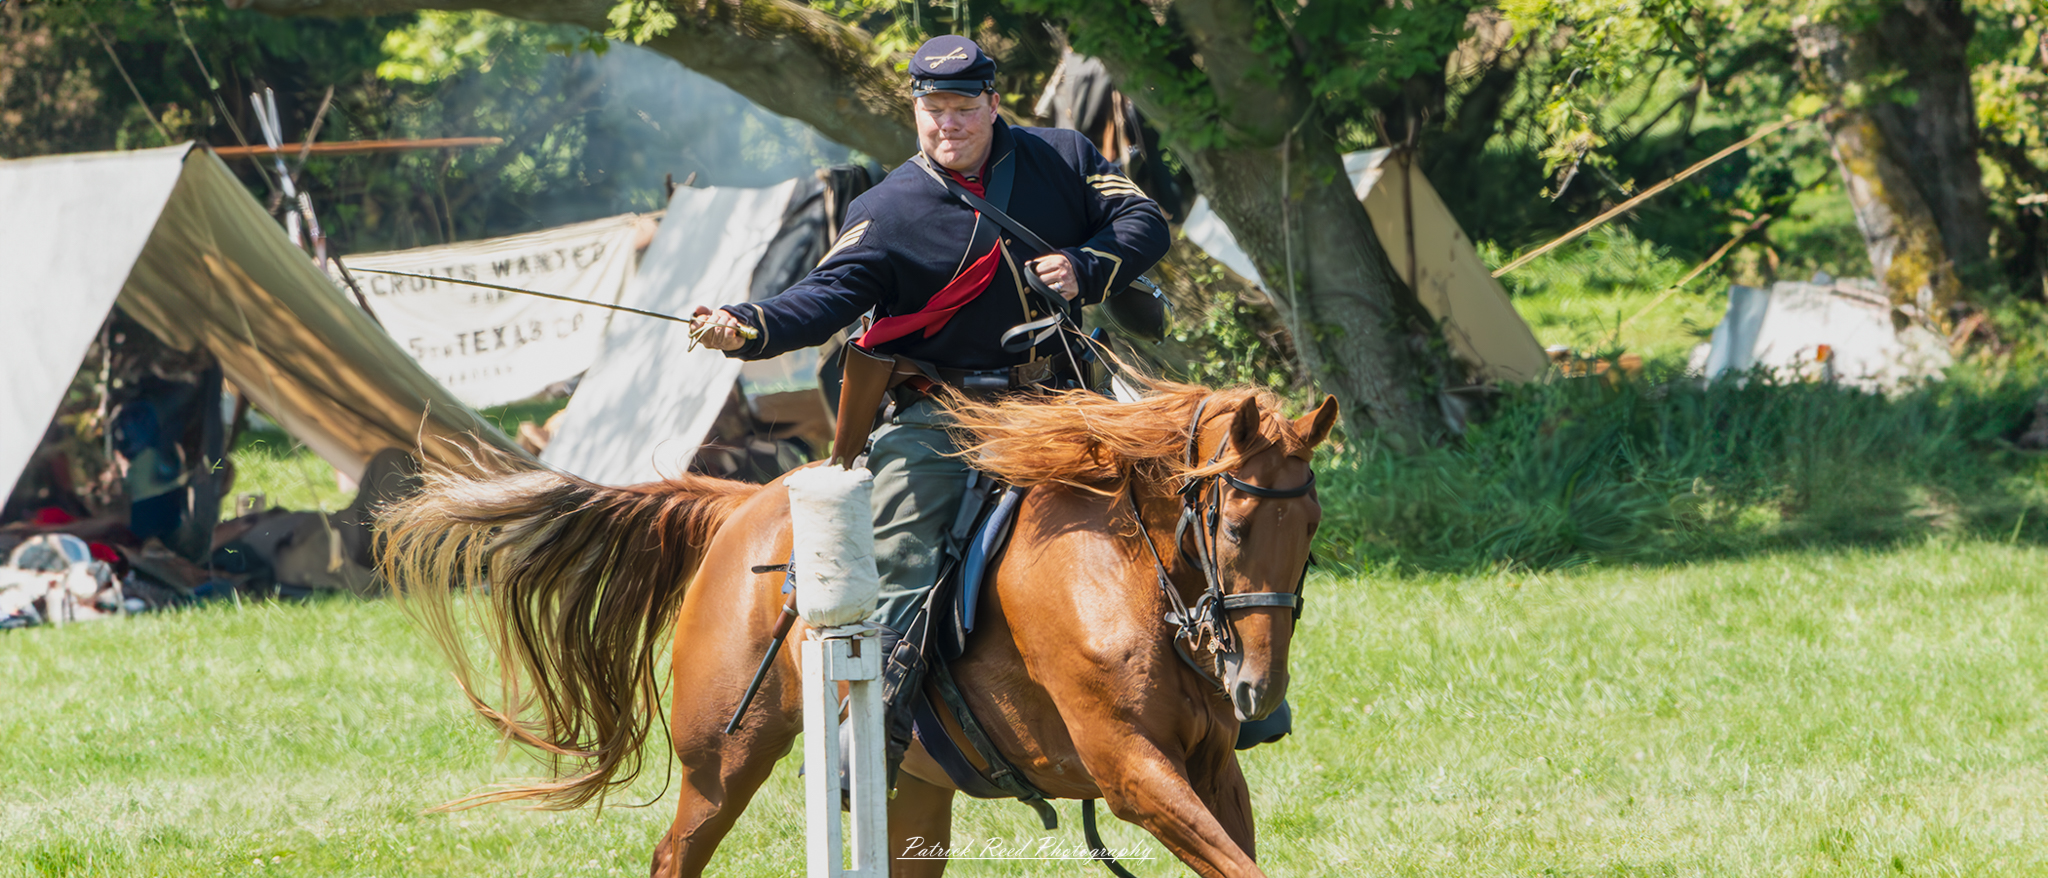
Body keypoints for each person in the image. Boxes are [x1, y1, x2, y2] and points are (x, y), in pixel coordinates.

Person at [694, 35, 1170, 774]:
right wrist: (747, 324)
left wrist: (1085, 266)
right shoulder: (888, 210)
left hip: (1070, 392)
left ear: (993, 103)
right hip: (953, 412)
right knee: (903, 534)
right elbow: (822, 299)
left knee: (1191, 487)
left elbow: (1145, 221)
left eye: (961, 108)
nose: (946, 124)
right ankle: (878, 716)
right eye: (932, 109)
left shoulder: (1064, 157)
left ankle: (1223, 669)